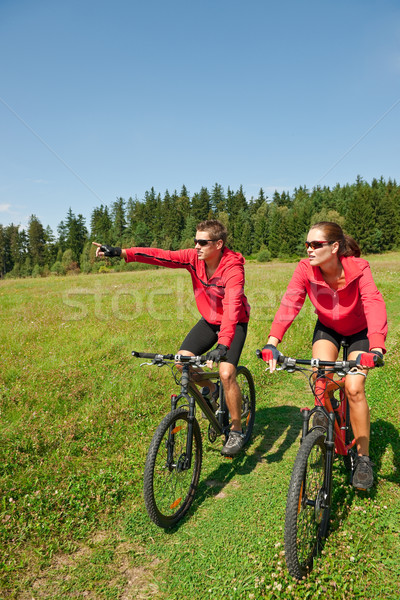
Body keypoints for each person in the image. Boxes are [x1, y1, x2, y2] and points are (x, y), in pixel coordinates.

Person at [93, 219, 250, 456]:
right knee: (181, 362)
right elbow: (159, 256)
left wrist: (223, 345)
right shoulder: (193, 258)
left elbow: (232, 308)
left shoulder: (233, 268)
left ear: (219, 244)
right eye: (195, 240)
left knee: (227, 373)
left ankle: (236, 430)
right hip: (209, 321)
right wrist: (120, 252)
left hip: (234, 322)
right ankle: (214, 391)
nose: (196, 246)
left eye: (203, 242)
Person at [261, 221, 387, 490]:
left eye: (316, 244)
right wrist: (272, 342)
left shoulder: (358, 268)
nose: (309, 249)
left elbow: (374, 302)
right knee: (321, 377)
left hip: (359, 332)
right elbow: (290, 302)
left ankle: (363, 458)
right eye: (307, 244)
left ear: (335, 246)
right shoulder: (305, 269)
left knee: (354, 387)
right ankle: (325, 418)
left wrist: (375, 347)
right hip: (328, 329)